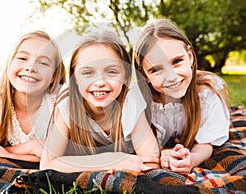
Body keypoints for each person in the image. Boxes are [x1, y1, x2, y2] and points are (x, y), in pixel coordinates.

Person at [40, 30, 160, 173]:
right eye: (87, 73)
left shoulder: (130, 101)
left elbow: (151, 162)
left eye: (111, 72)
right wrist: (111, 161)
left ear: (125, 76)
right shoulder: (67, 103)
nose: (100, 82)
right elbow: (47, 164)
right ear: (74, 78)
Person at [134, 18, 230, 174]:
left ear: (190, 56)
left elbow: (206, 142)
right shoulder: (140, 101)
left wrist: (192, 159)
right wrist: (162, 156)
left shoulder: (206, 94)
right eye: (156, 69)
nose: (171, 77)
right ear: (144, 75)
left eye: (177, 61)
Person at [0, 30, 66, 162]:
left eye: (43, 63)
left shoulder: (60, 100)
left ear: (53, 76)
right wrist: (34, 148)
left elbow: (61, 155)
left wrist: (9, 153)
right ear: (9, 64)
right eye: (23, 58)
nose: (31, 67)